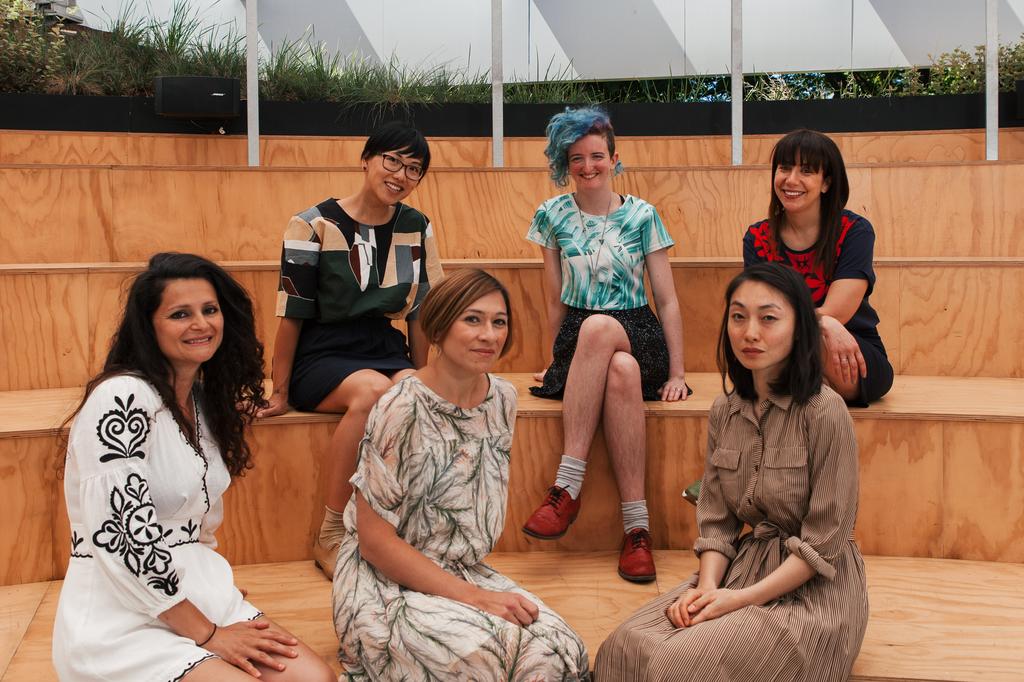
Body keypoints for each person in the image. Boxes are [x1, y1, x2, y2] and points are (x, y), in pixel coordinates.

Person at [53, 253, 334, 682]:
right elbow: (122, 538)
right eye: (180, 314)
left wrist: (210, 586)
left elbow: (197, 524)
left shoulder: (203, 401)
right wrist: (207, 633)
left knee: (316, 679)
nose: (201, 324)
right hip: (120, 611)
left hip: (192, 595)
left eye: (210, 310)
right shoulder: (121, 398)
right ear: (148, 327)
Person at [595, 263, 868, 681]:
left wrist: (737, 600)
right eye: (738, 317)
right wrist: (707, 588)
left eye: (768, 318)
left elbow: (823, 546)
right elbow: (718, 522)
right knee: (623, 647)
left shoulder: (823, 410)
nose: (750, 332)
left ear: (799, 329)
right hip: (742, 570)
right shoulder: (725, 410)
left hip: (813, 592)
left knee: (679, 663)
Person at [332, 269, 590, 681]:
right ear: (439, 326)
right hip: (384, 584)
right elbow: (375, 543)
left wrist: (478, 593)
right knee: (503, 664)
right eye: (472, 319)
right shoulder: (401, 406)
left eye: (499, 321)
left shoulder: (502, 398)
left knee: (568, 654)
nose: (489, 335)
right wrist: (477, 599)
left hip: (462, 570)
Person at [258, 121, 444, 579]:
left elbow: (420, 313)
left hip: (383, 345)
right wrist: (280, 390)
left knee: (411, 393)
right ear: (366, 160)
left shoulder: (417, 226)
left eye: (413, 169)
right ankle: (331, 531)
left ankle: (399, 526)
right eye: (392, 160)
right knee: (372, 391)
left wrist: (422, 376)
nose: (400, 175)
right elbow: (293, 312)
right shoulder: (312, 224)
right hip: (322, 349)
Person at [521, 106, 689, 583]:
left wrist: (678, 372)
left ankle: (566, 486)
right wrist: (559, 362)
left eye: (597, 156)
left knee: (601, 332)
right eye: (576, 158)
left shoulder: (643, 215)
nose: (588, 166)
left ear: (614, 159)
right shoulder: (551, 215)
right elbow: (554, 299)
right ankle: (637, 530)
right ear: (565, 163)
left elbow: (667, 300)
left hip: (637, 328)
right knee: (620, 370)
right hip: (581, 335)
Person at [744, 128, 892, 406]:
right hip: (781, 346)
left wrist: (826, 323)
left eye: (806, 171)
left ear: (826, 183)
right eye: (784, 168)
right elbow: (758, 311)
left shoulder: (855, 231)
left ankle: (804, 385)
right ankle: (810, 386)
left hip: (849, 347)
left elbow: (838, 311)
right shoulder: (758, 237)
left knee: (806, 345)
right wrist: (823, 322)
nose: (791, 179)